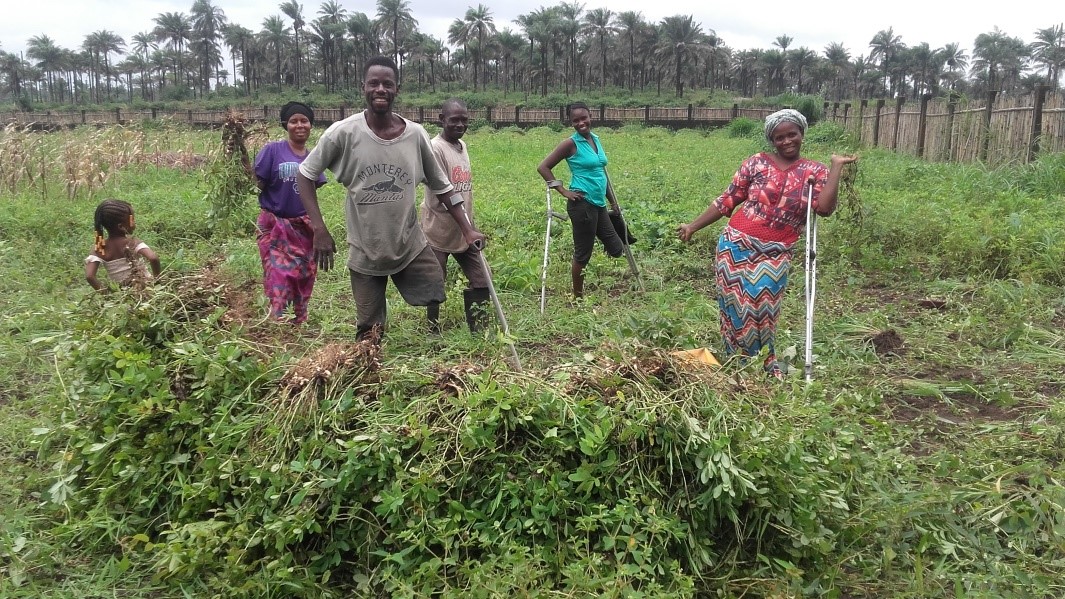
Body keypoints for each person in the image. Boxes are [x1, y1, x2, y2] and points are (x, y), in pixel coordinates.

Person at [296, 56, 484, 342]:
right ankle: (368, 362)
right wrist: (319, 229)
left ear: (397, 89)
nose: (380, 89)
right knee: (369, 330)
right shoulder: (342, 133)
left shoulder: (415, 135)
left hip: (409, 246)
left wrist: (467, 229)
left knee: (434, 291)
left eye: (387, 84)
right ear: (363, 87)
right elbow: (305, 175)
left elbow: (443, 187)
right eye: (374, 83)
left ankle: (434, 331)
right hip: (365, 248)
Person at [677, 109, 858, 378]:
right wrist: (692, 226)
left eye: (792, 135)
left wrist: (836, 167)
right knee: (735, 306)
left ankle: (763, 360)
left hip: (776, 251)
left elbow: (824, 209)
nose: (786, 141)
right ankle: (738, 360)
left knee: (763, 305)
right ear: (772, 140)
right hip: (735, 244)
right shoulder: (756, 163)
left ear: (801, 134)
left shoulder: (815, 171)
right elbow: (727, 199)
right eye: (779, 137)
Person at [537, 101, 626, 300]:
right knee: (582, 254)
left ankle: (594, 232)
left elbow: (601, 172)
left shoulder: (595, 139)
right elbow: (543, 167)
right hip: (582, 205)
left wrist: (612, 202)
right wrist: (563, 191)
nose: (580, 123)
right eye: (575, 120)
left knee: (616, 248)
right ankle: (578, 297)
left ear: (590, 117)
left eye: (583, 118)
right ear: (571, 122)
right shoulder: (570, 144)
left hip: (599, 203)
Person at [249, 101, 327, 324]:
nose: (299, 125)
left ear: (311, 125)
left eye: (304, 121)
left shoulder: (313, 157)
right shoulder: (272, 151)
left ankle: (298, 319)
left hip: (303, 227)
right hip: (274, 224)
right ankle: (277, 320)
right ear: (286, 125)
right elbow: (256, 184)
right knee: (278, 273)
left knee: (304, 273)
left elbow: (312, 191)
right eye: (294, 121)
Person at [421, 98, 490, 333]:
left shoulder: (462, 146)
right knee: (435, 281)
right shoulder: (435, 149)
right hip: (438, 228)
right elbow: (444, 193)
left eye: (464, 120)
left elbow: (464, 190)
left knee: (482, 278)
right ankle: (433, 330)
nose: (460, 125)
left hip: (464, 229)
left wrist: (471, 226)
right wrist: (468, 229)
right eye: (454, 120)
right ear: (442, 119)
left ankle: (478, 328)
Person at [84, 199, 162, 291]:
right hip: (146, 288)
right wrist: (157, 282)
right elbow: (153, 258)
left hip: (122, 294)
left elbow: (90, 276)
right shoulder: (132, 242)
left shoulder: (100, 248)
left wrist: (106, 294)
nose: (135, 222)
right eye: (132, 219)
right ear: (121, 226)